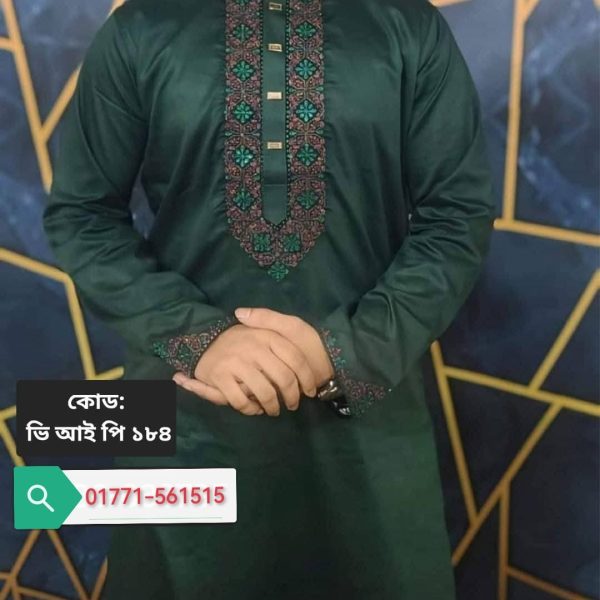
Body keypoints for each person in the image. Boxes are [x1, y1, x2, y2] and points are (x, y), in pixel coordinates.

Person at [42, 0, 496, 597]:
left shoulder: (407, 27)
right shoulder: (142, 27)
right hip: (185, 411)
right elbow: (82, 215)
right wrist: (199, 338)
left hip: (365, 417)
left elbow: (457, 216)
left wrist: (348, 351)